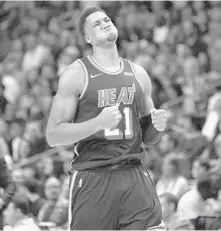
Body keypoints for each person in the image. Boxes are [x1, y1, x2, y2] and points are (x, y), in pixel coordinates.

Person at [46, 6, 167, 230]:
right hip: (94, 177)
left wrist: (157, 127)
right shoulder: (76, 73)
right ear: (87, 38)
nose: (104, 23)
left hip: (134, 174)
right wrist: (97, 124)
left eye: (106, 19)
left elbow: (149, 139)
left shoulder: (138, 73)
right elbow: (53, 135)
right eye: (96, 23)